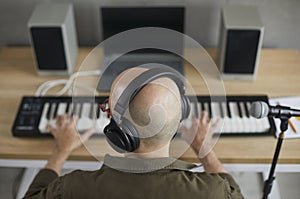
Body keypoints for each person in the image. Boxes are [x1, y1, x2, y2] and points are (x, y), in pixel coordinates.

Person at [24, 67, 244, 199]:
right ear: (181, 117)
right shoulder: (214, 191)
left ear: (118, 132)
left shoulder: (74, 187)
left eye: (106, 107)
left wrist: (60, 152)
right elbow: (234, 192)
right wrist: (204, 150)